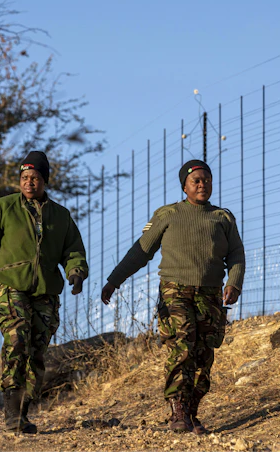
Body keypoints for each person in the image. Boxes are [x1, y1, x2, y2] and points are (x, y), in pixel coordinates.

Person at [100, 159, 244, 434]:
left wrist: (234, 283)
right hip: (174, 291)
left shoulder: (222, 218)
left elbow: (236, 254)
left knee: (204, 356)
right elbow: (141, 251)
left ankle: (191, 412)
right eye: (196, 181)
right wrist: (114, 281)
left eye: (207, 180)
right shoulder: (168, 214)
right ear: (184, 186)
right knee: (182, 344)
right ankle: (177, 410)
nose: (203, 185)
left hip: (210, 294)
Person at [0, 151, 88, 434]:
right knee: (17, 339)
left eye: (35, 177)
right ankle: (10, 412)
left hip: (46, 291)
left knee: (37, 351)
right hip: (11, 286)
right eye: (24, 177)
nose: (29, 182)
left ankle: (23, 411)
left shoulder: (60, 216)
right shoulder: (4, 207)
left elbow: (74, 250)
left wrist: (76, 272)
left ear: (45, 181)